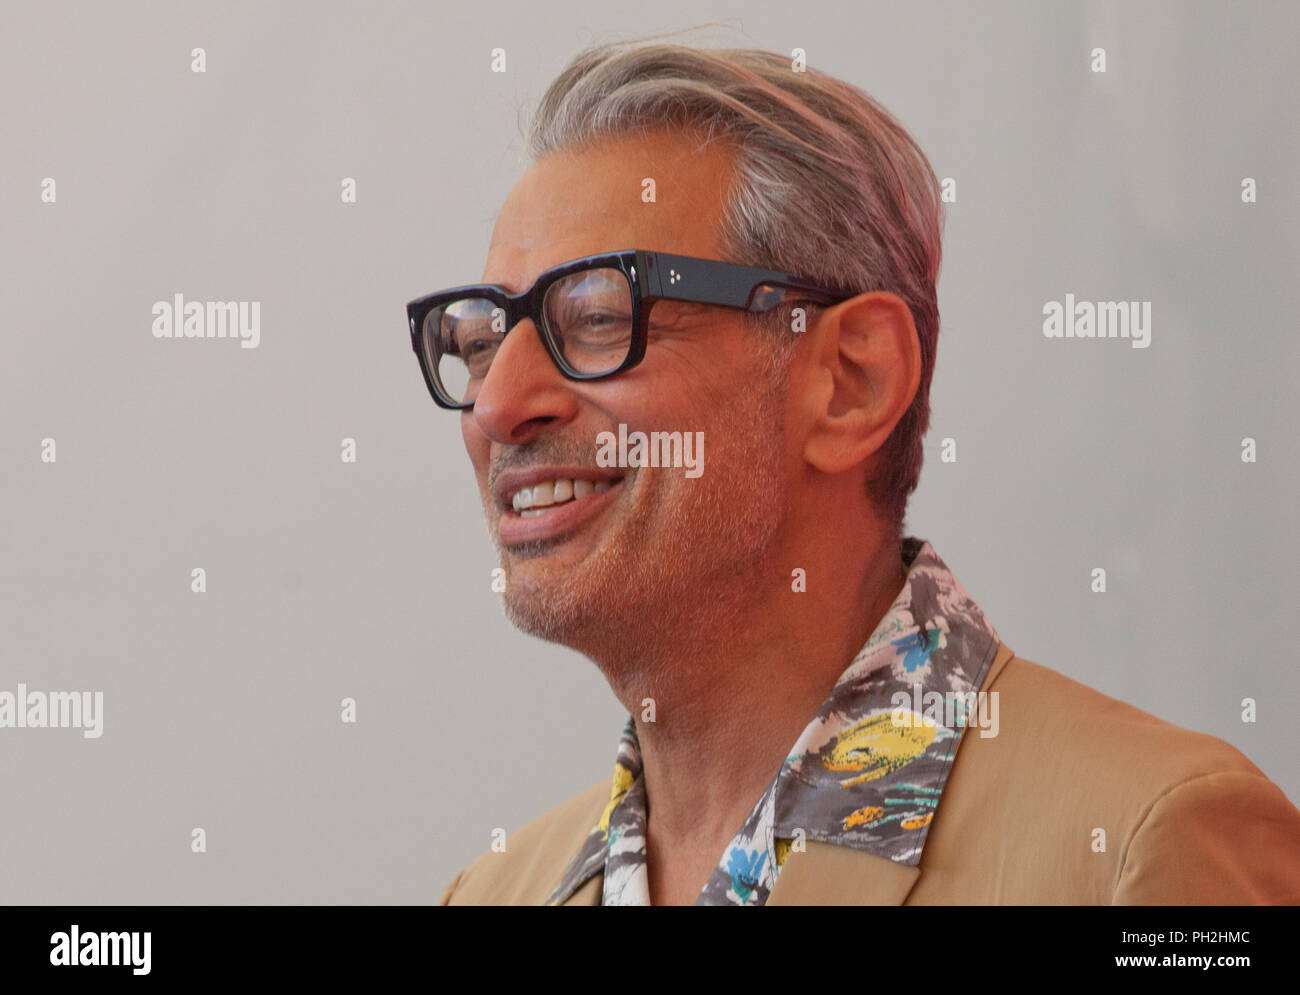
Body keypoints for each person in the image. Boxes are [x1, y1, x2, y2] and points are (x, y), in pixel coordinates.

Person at [408, 39, 1300, 905]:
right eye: (481, 340)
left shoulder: (1139, 848)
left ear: (851, 381)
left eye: (600, 316)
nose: (497, 405)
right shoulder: (493, 892)